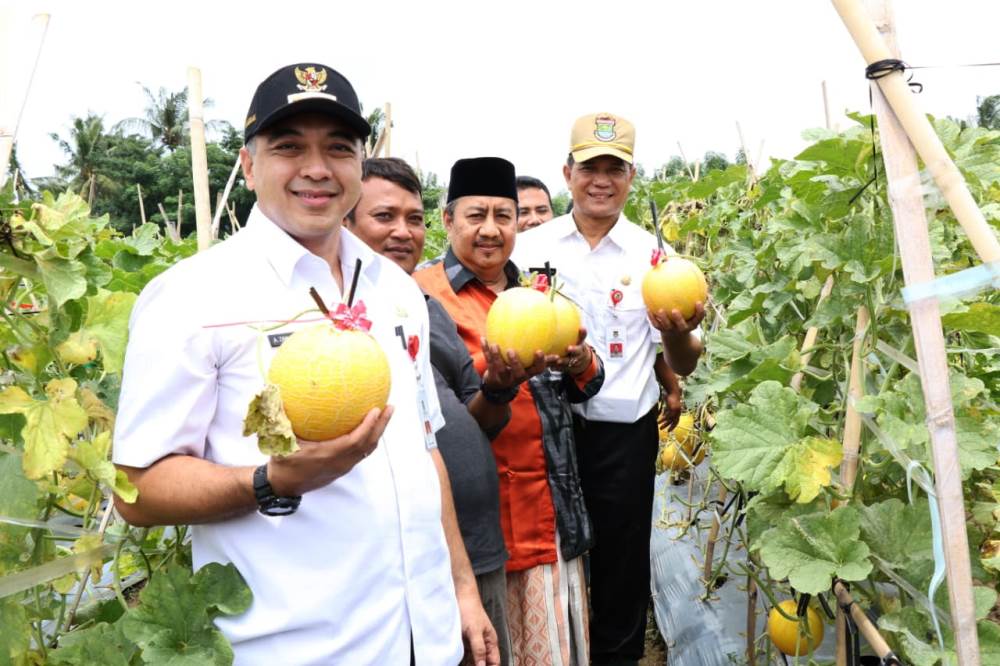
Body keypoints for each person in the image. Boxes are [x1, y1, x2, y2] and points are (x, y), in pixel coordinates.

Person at [112, 63, 498, 666]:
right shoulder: (191, 297)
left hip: (427, 640)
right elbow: (137, 489)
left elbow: (423, 448)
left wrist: (462, 589)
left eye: (338, 148)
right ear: (248, 163)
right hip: (299, 649)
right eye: (289, 146)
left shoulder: (395, 291)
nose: (316, 168)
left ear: (359, 166)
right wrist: (272, 482)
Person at [512, 112, 704, 665]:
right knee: (548, 565)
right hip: (547, 431)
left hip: (624, 433)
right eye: (590, 167)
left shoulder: (655, 259)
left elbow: (684, 364)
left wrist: (680, 332)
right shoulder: (531, 248)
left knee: (621, 570)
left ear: (631, 175)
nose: (602, 179)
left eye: (614, 169)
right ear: (567, 173)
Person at [414, 157, 605, 665]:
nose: (491, 230)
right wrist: (497, 388)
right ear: (447, 219)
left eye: (504, 216)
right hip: (483, 528)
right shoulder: (423, 297)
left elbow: (588, 384)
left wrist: (581, 360)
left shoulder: (536, 290)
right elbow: (443, 426)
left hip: (551, 509)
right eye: (476, 216)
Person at [348, 156, 535, 665]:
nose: (403, 232)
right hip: (407, 557)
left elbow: (446, 430)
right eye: (384, 217)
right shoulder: (338, 322)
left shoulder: (421, 308)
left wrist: (499, 389)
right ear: (345, 221)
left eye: (413, 218)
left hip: (473, 546)